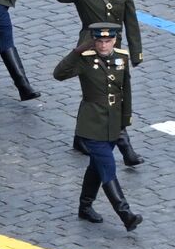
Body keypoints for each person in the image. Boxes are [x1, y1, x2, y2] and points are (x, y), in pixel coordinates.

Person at [53, 0, 145, 166]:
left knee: (112, 91)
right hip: (91, 46)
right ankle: (126, 149)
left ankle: (80, 138)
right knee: (97, 93)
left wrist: (136, 52)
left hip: (116, 48)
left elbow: (130, 21)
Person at [54, 23, 141, 230]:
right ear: (93, 41)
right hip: (91, 125)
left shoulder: (122, 57)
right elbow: (59, 74)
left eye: (107, 41)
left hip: (113, 124)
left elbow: (125, 90)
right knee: (108, 167)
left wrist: (125, 120)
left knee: (96, 167)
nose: (103, 45)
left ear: (114, 41)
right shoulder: (85, 59)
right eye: (99, 41)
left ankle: (85, 207)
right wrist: (77, 51)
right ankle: (126, 215)